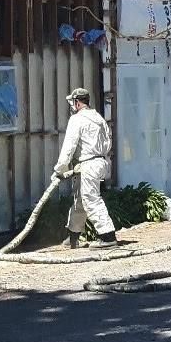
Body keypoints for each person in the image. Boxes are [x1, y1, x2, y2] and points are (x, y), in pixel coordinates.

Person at [53, 87, 117, 249]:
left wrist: (59, 169)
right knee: (80, 200)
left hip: (88, 165)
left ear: (77, 102)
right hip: (99, 162)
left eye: (73, 103)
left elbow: (69, 146)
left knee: (91, 199)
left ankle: (108, 236)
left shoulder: (77, 119)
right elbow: (108, 142)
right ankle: (73, 237)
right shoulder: (98, 118)